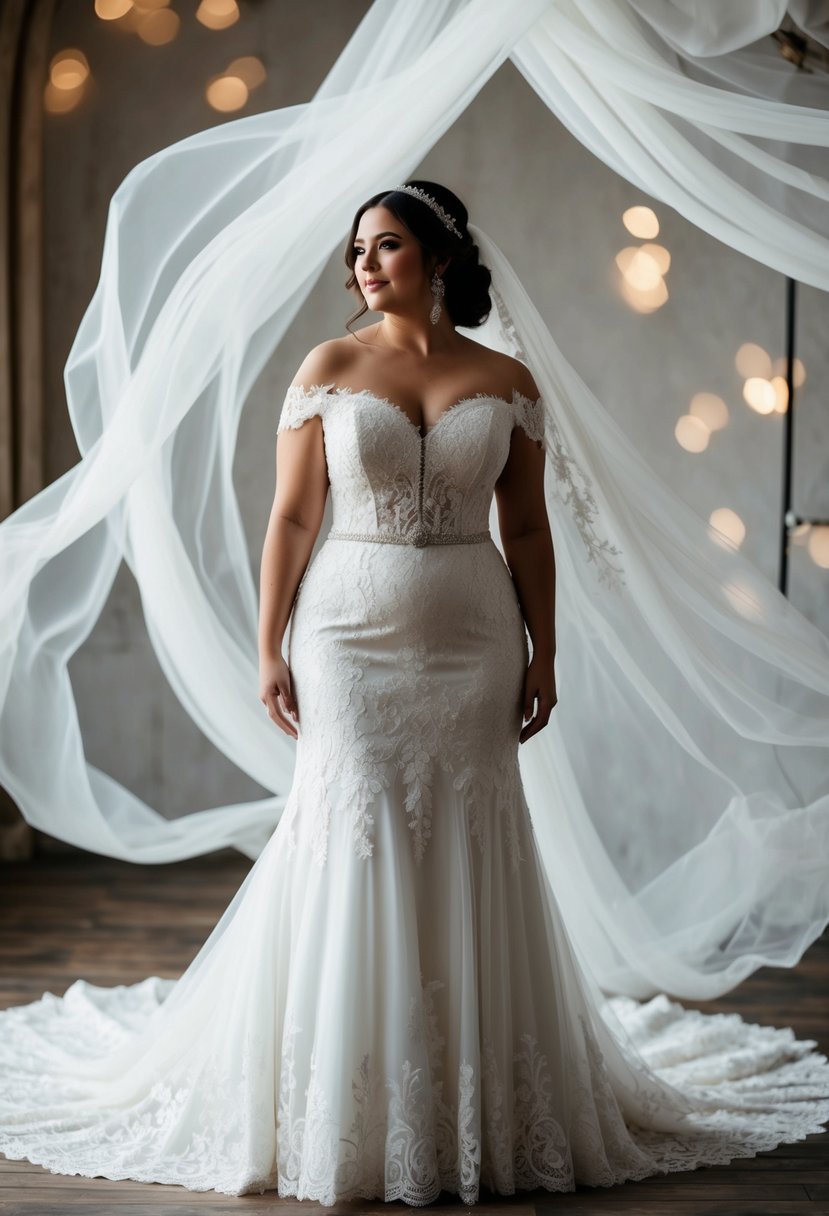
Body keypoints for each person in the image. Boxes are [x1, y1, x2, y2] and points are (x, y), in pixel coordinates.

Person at [1, 181, 828, 1208]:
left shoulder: (507, 378)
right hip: (346, 632)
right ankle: (340, 1099)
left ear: (438, 257)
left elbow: (525, 528)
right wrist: (270, 647)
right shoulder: (329, 368)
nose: (363, 266)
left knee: (469, 827)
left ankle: (466, 1093)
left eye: (385, 246)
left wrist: (545, 650)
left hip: (474, 633)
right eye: (356, 251)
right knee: (352, 825)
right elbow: (292, 522)